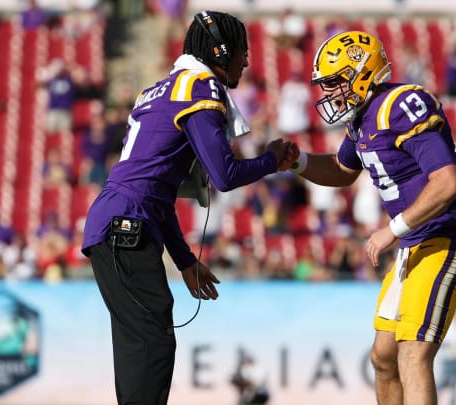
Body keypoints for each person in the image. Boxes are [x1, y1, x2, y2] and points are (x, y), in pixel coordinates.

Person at [81, 11, 296, 405]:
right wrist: (271, 160)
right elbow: (225, 175)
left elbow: (157, 196)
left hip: (117, 219)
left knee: (142, 341)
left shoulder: (161, 88)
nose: (246, 62)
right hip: (126, 224)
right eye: (242, 52)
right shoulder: (201, 87)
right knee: (151, 341)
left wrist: (184, 260)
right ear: (221, 51)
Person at [287, 30, 456, 404]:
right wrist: (297, 162)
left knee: (412, 351)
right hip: (414, 246)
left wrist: (393, 229)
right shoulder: (361, 118)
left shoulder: (400, 104)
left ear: (361, 73)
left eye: (333, 82)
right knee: (383, 358)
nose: (328, 93)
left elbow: (447, 182)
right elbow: (343, 171)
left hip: (445, 239)